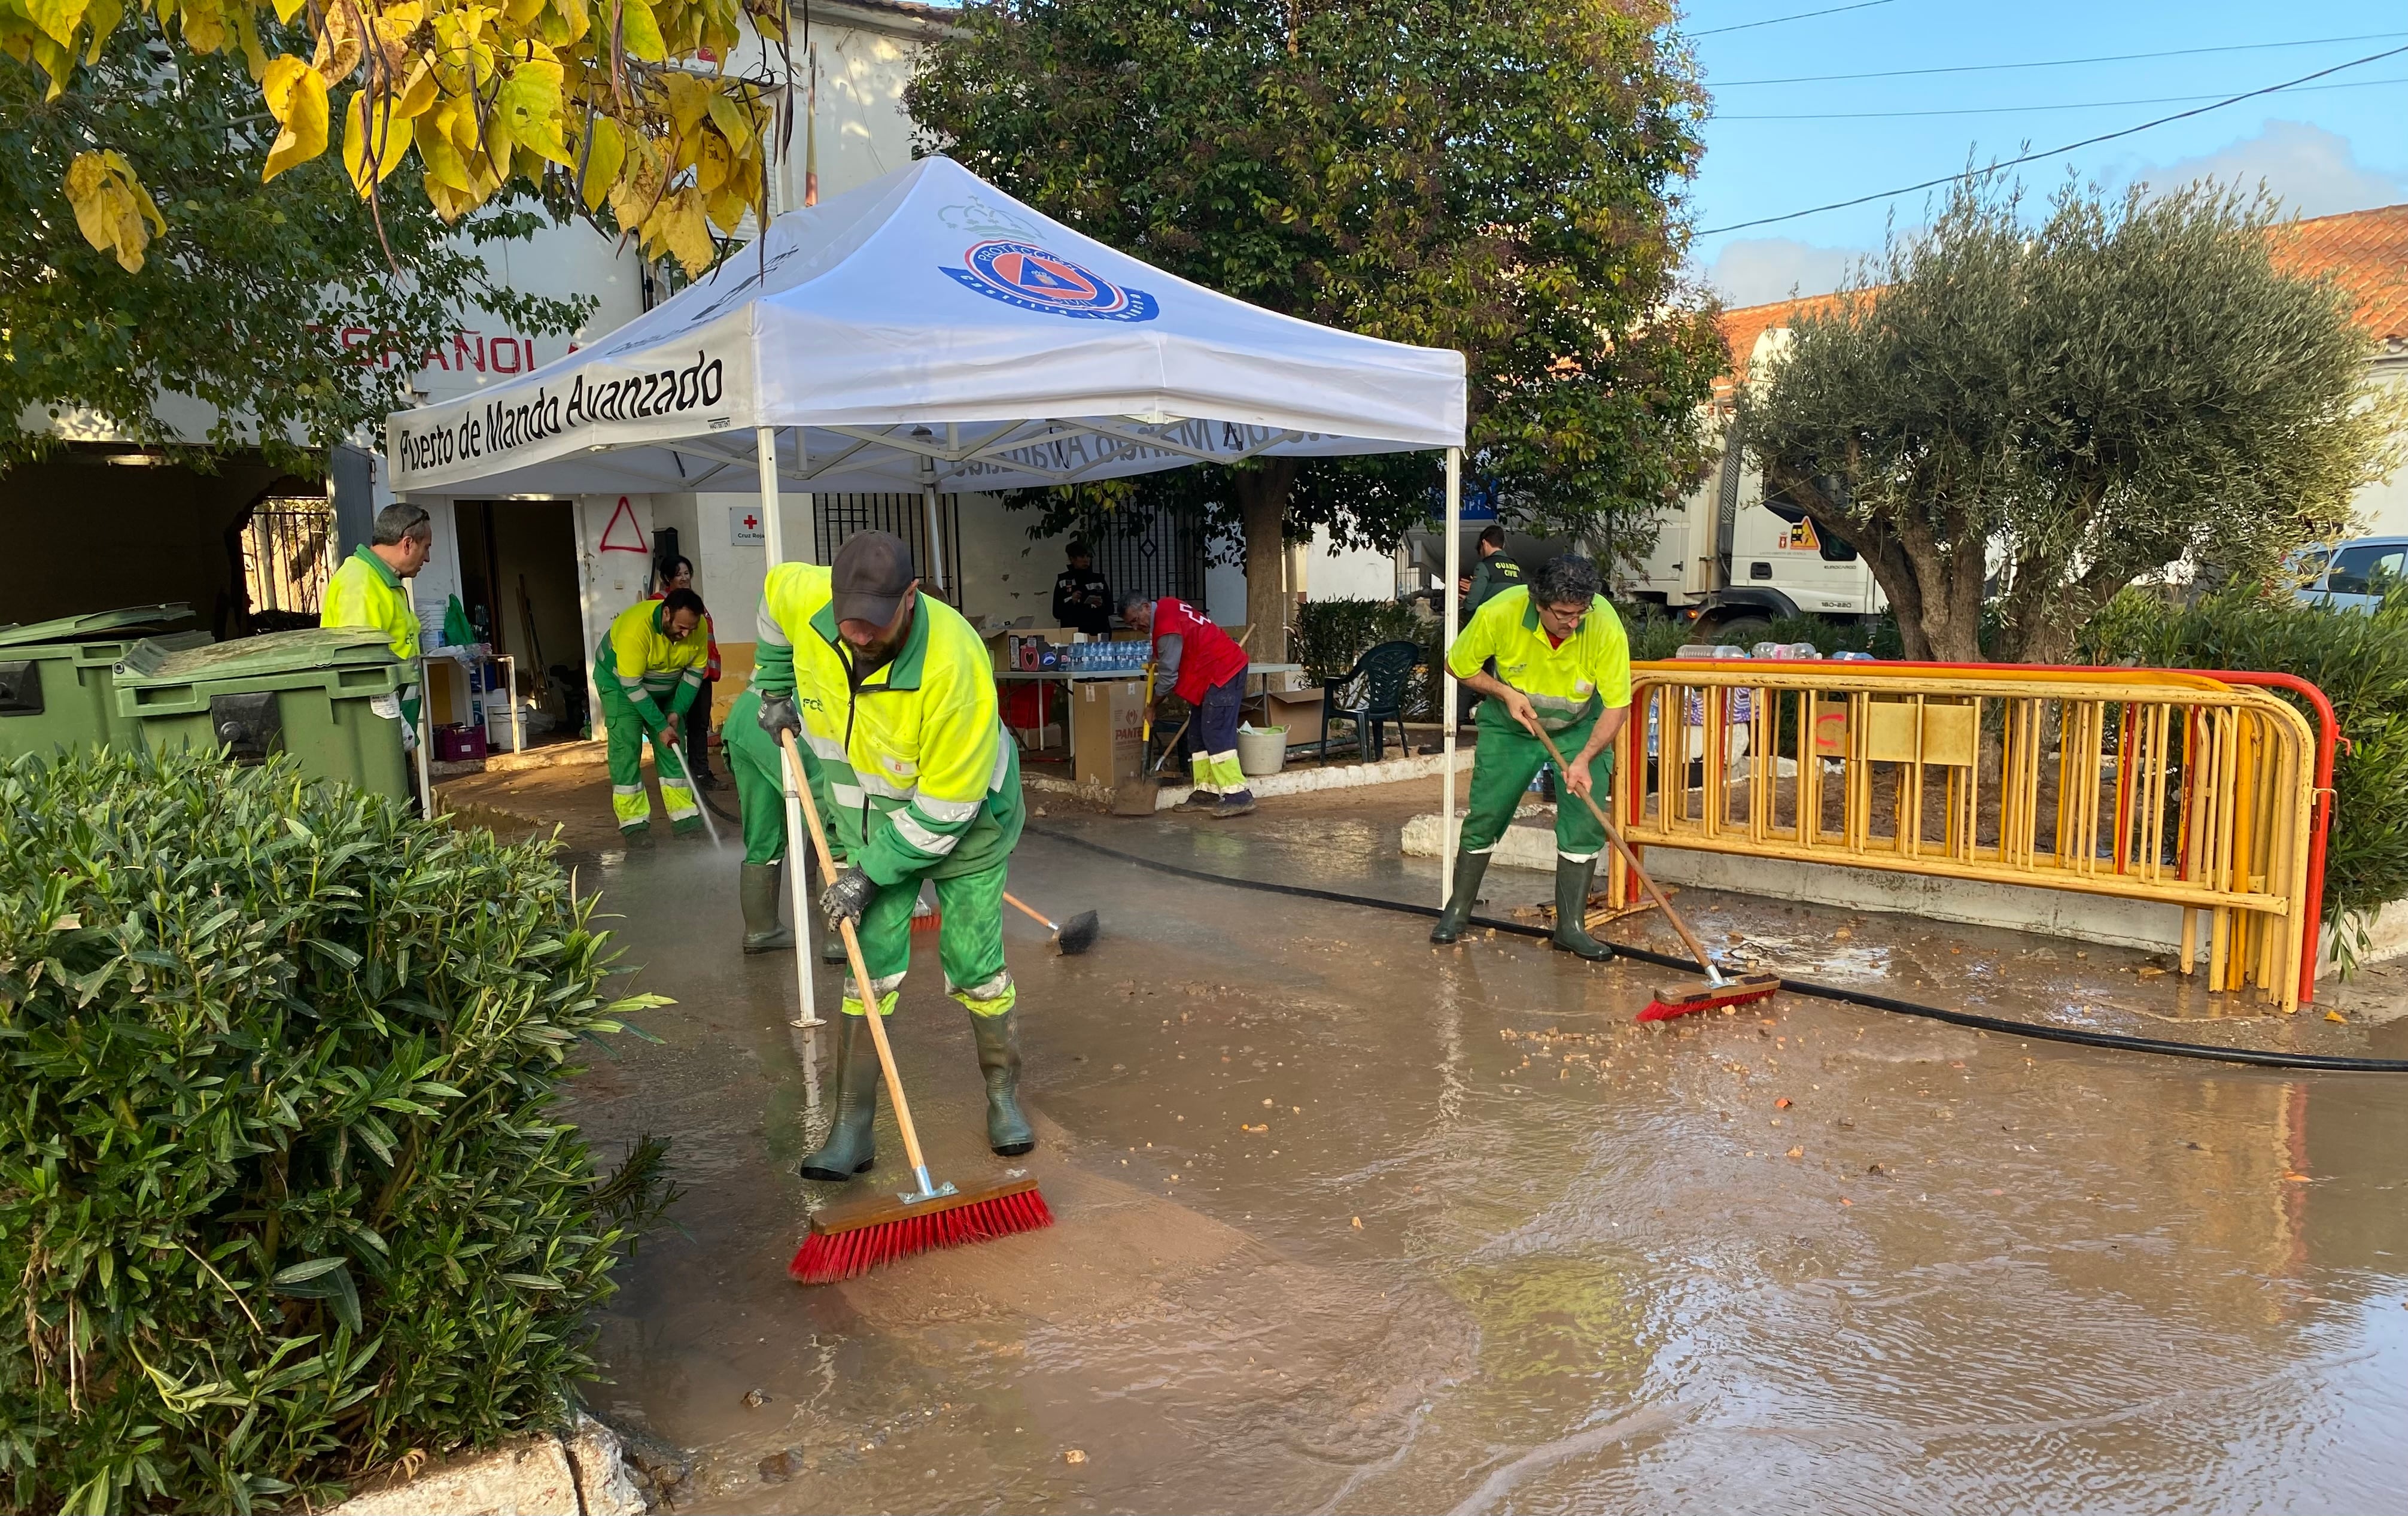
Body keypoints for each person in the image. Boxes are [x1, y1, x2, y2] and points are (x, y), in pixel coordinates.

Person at [755, 531, 1032, 1176]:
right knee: (869, 962)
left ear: (910, 597)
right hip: (869, 819)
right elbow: (770, 602)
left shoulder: (954, 665)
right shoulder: (808, 598)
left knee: (972, 962)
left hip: (968, 820)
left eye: (874, 625)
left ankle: (1002, 1097)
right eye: (847, 621)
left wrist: (867, 876)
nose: (856, 635)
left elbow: (946, 810)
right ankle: (852, 1126)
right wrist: (773, 688)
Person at [1430, 555, 1631, 960]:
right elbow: (1457, 663)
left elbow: (1616, 705)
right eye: (1562, 613)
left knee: (1584, 821)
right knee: (1487, 813)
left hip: (1578, 728)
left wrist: (1584, 758)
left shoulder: (1604, 623)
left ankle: (1570, 928)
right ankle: (1458, 909)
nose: (1572, 622)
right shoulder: (1500, 612)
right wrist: (1505, 692)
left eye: (1580, 612)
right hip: (1512, 726)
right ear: (1537, 602)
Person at [722, 561, 847, 962]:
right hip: (786, 720)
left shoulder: (813, 586)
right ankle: (839, 939)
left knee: (764, 832)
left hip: (747, 714)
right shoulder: (858, 618)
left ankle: (761, 930)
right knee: (837, 819)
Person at [1120, 592, 1252, 818]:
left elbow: (1169, 678)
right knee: (1197, 736)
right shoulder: (1168, 605)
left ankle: (1238, 795)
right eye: (1130, 623)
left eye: (1135, 620)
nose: (1136, 626)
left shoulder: (1166, 627)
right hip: (1206, 677)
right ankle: (1206, 792)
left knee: (1216, 733)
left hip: (1222, 672)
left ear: (1145, 607)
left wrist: (1152, 706)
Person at [596, 588, 713, 841]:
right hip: (621, 686)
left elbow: (694, 674)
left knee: (673, 749)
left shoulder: (697, 626)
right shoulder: (635, 628)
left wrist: (676, 713)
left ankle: (686, 821)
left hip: (668, 688)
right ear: (666, 613)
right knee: (626, 750)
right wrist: (660, 725)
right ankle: (634, 826)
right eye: (681, 627)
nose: (686, 634)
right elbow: (633, 686)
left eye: (691, 629)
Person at [323, 502, 433, 754]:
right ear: (407, 543)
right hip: (374, 734)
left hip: (390, 724)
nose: (427, 558)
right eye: (425, 548)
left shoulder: (378, 580)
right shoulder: (361, 584)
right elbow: (359, 668)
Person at [649, 556, 724, 788]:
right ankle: (681, 776)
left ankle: (700, 773)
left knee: (700, 726)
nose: (684, 578)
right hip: (677, 677)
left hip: (701, 674)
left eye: (687, 573)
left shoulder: (694, 604)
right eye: (679, 574)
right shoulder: (659, 604)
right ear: (667, 579)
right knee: (677, 723)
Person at [1457, 524, 1524, 617]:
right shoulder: (1515, 567)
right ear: (1503, 545)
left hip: (1491, 623)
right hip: (1512, 622)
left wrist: (1466, 601)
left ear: (1484, 543)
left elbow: (1471, 606)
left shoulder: (1485, 566)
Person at [1051, 541, 1112, 635]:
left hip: (1097, 633)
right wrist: (1072, 601)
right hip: (1073, 634)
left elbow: (1111, 609)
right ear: (1072, 559)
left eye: (1088, 557)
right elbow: (1057, 613)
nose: (1086, 560)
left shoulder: (1098, 580)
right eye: (1082, 557)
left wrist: (1101, 605)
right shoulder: (1063, 581)